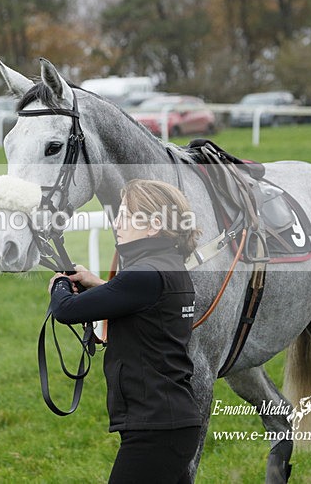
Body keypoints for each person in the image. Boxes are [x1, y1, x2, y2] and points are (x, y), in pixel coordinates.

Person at [47, 179, 203, 484]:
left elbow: (66, 310)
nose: (117, 223)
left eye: (126, 216)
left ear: (154, 225)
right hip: (169, 423)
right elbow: (143, 304)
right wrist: (98, 284)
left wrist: (60, 284)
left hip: (155, 429)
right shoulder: (169, 267)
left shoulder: (143, 275)